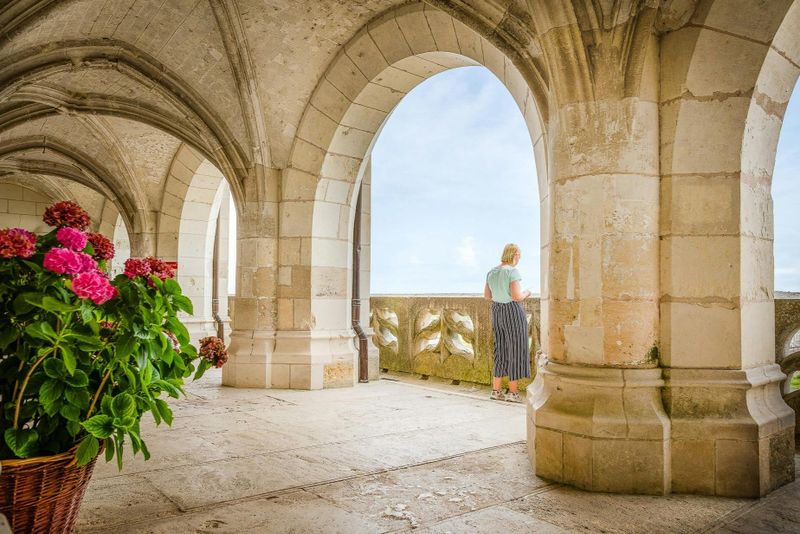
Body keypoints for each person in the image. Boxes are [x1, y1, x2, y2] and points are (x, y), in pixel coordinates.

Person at [483, 243, 531, 403]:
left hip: (497, 311)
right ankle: (513, 393)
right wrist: (527, 292)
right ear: (515, 255)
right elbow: (517, 296)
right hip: (512, 312)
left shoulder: (491, 272)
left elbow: (487, 296)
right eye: (519, 256)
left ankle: (496, 391)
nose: (519, 259)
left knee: (500, 349)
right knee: (515, 350)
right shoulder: (512, 271)